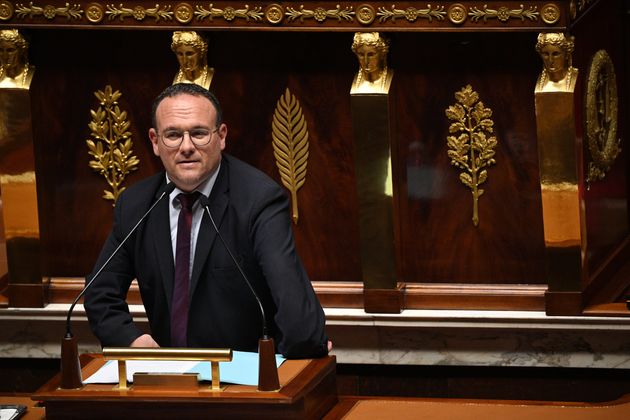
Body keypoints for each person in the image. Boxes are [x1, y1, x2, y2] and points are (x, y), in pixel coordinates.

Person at [84, 83, 329, 358]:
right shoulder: (136, 204)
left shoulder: (259, 200)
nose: (186, 147)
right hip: (168, 379)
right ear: (154, 141)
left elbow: (297, 313)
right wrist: (130, 339)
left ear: (221, 136)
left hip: (241, 382)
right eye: (173, 135)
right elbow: (99, 293)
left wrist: (282, 367)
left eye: (199, 133)